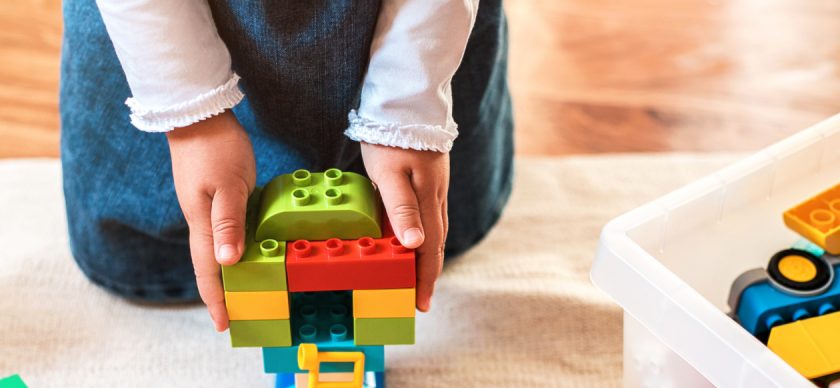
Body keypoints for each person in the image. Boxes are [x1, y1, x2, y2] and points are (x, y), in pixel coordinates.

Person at [60, 0, 513, 331]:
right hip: (155, 35)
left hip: (420, 26)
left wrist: (407, 108)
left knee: (410, 200)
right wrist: (191, 117)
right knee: (188, 212)